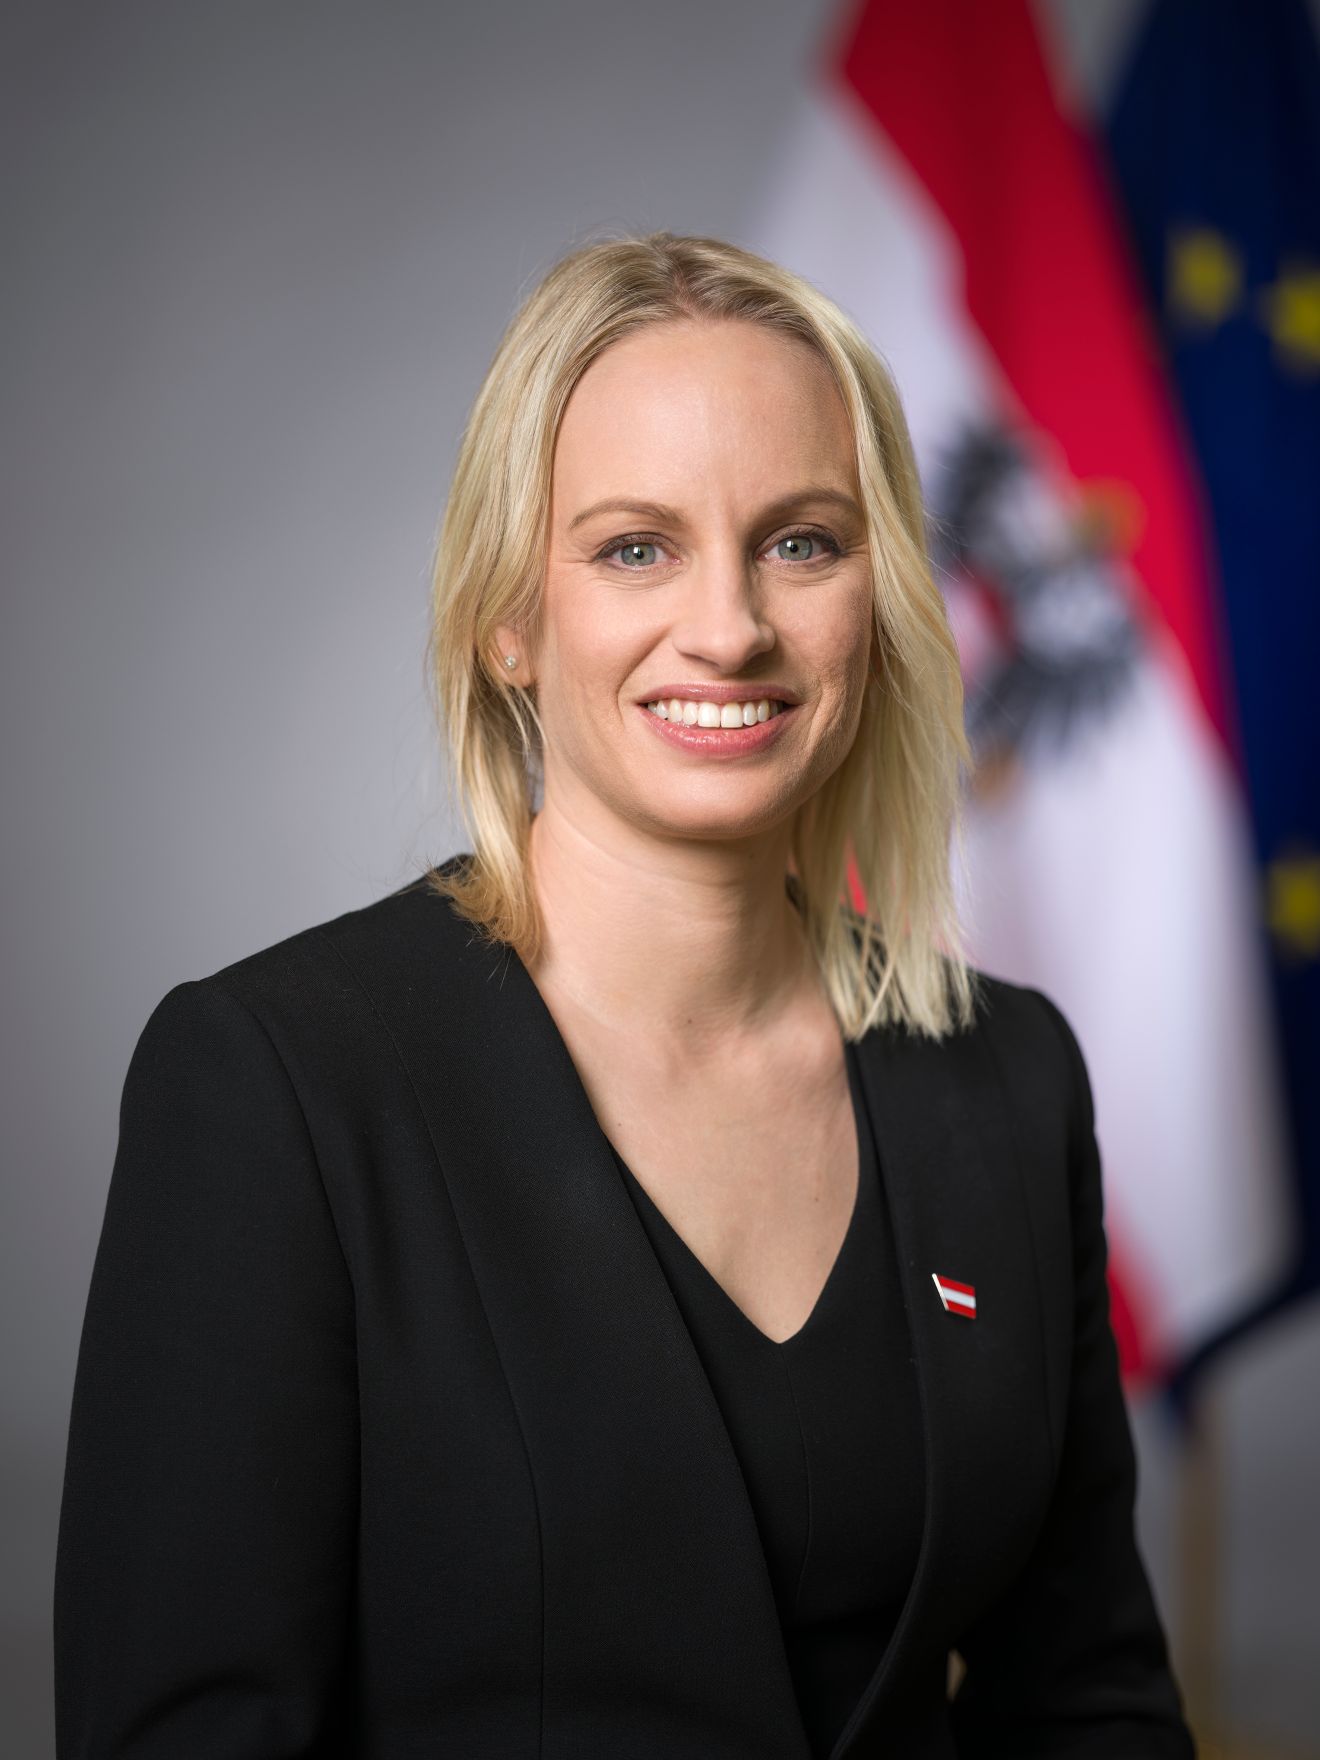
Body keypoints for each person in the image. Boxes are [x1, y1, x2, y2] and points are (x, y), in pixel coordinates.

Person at [53, 230, 1197, 1758]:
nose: (729, 627)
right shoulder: (278, 1087)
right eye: (636, 548)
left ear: (881, 602)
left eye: (803, 542)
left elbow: (1089, 1703)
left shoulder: (1009, 1075)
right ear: (509, 619)